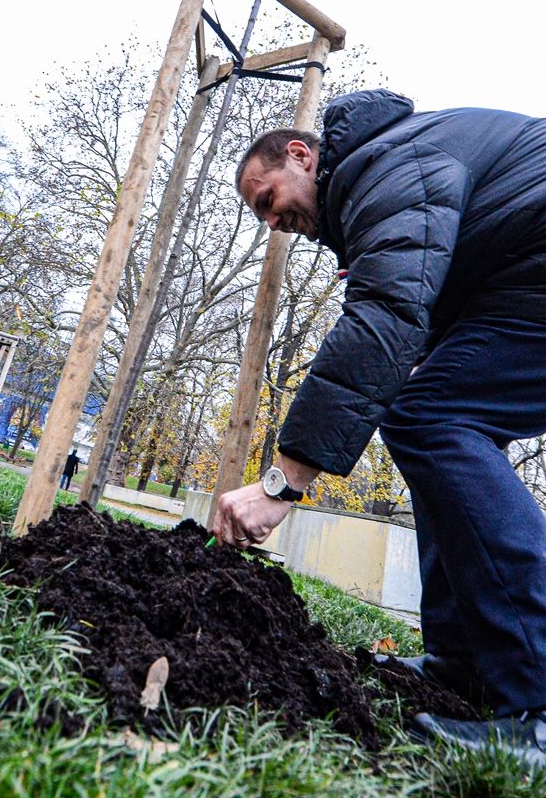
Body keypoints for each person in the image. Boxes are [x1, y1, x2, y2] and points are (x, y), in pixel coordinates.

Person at [212, 88, 546, 767]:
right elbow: (425, 312)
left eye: (267, 198)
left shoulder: (386, 167)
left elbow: (384, 318)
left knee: (430, 419)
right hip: (523, 280)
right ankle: (468, 663)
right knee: (431, 421)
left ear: (301, 156)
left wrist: (283, 482)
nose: (271, 221)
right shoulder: (390, 169)